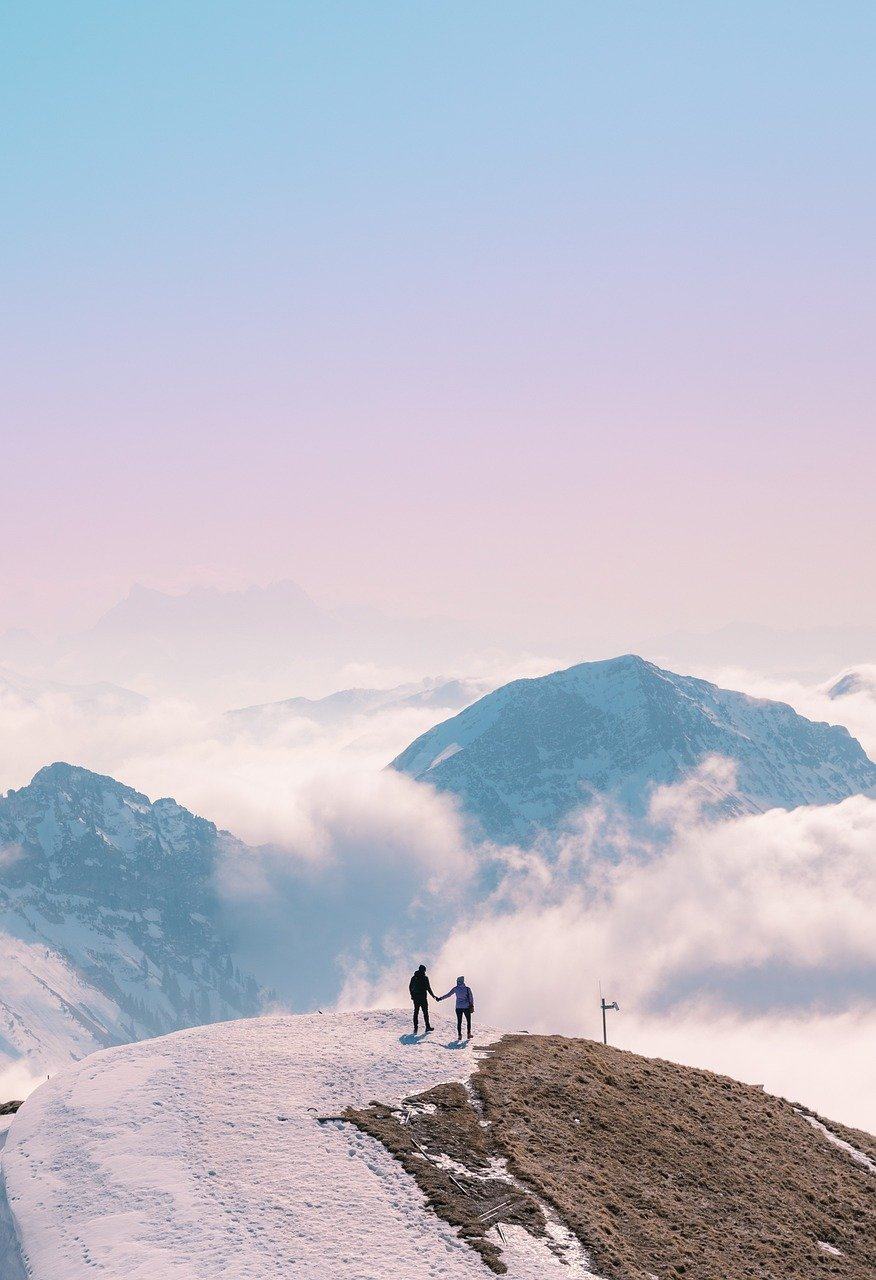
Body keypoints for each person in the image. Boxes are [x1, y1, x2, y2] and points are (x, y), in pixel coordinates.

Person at [438, 976, 475, 1040]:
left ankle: (459, 1035)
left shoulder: (455, 989)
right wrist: (472, 1005)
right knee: (468, 1021)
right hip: (466, 1007)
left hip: (458, 1007)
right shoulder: (467, 989)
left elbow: (448, 995)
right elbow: (471, 998)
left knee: (459, 1021)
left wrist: (440, 998)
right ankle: (469, 1034)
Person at [408, 964, 436, 1033]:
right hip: (423, 997)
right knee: (425, 1012)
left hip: (416, 997)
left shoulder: (414, 977)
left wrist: (412, 996)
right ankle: (427, 1027)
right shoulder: (425, 978)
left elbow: (410, 987)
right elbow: (428, 988)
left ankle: (415, 1028)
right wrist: (433, 996)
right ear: (424, 970)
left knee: (416, 1012)